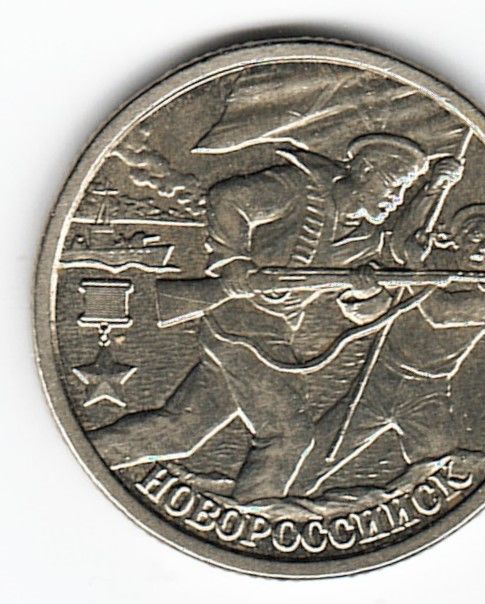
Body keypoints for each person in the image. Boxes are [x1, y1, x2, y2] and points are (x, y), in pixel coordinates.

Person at [88, 135, 464, 503]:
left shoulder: (365, 240)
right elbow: (227, 200)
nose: (396, 200)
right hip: (240, 327)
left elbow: (369, 308)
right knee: (288, 435)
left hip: (271, 334)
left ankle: (93, 455)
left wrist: (365, 291)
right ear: (365, 171)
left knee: (181, 431)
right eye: (393, 187)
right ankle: (257, 513)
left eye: (403, 192)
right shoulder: (301, 187)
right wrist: (234, 263)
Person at [290, 202, 485, 497]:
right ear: (458, 239)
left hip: (426, 393)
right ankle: (280, 503)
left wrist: (415, 266)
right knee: (314, 457)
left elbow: (438, 312)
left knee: (442, 477)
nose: (483, 247)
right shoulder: (433, 261)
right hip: (379, 380)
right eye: (476, 236)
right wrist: (367, 287)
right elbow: (401, 246)